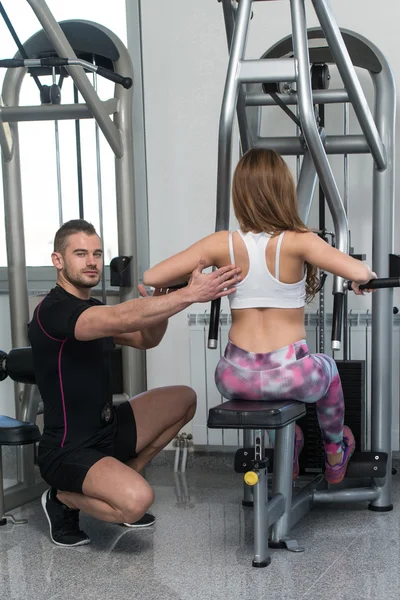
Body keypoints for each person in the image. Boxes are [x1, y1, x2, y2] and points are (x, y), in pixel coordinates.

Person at [143, 148, 376, 485]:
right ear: (283, 192)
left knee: (261, 393)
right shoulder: (300, 241)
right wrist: (360, 278)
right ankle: (335, 453)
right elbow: (360, 271)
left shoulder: (221, 244)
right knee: (328, 368)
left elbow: (152, 277)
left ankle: (287, 443)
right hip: (292, 374)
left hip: (233, 377)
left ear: (240, 195)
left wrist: (193, 281)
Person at [29, 219, 241, 547]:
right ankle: (63, 499)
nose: (91, 261)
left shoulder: (92, 307)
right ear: (58, 260)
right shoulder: (53, 311)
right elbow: (121, 317)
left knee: (184, 398)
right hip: (68, 449)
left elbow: (145, 338)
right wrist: (189, 294)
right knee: (136, 503)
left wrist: (162, 302)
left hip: (106, 430)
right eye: (80, 253)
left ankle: (130, 468)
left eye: (97, 254)